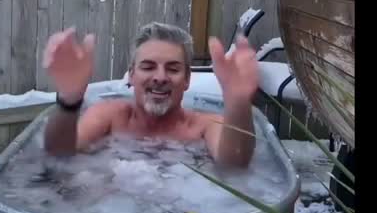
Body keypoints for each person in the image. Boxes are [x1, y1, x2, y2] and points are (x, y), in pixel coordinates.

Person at [41, 22, 259, 167]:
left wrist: (237, 103)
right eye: (148, 67)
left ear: (187, 80)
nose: (160, 77)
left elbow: (235, 164)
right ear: (131, 75)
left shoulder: (204, 126)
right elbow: (59, 152)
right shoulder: (109, 117)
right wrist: (69, 99)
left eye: (173, 69)